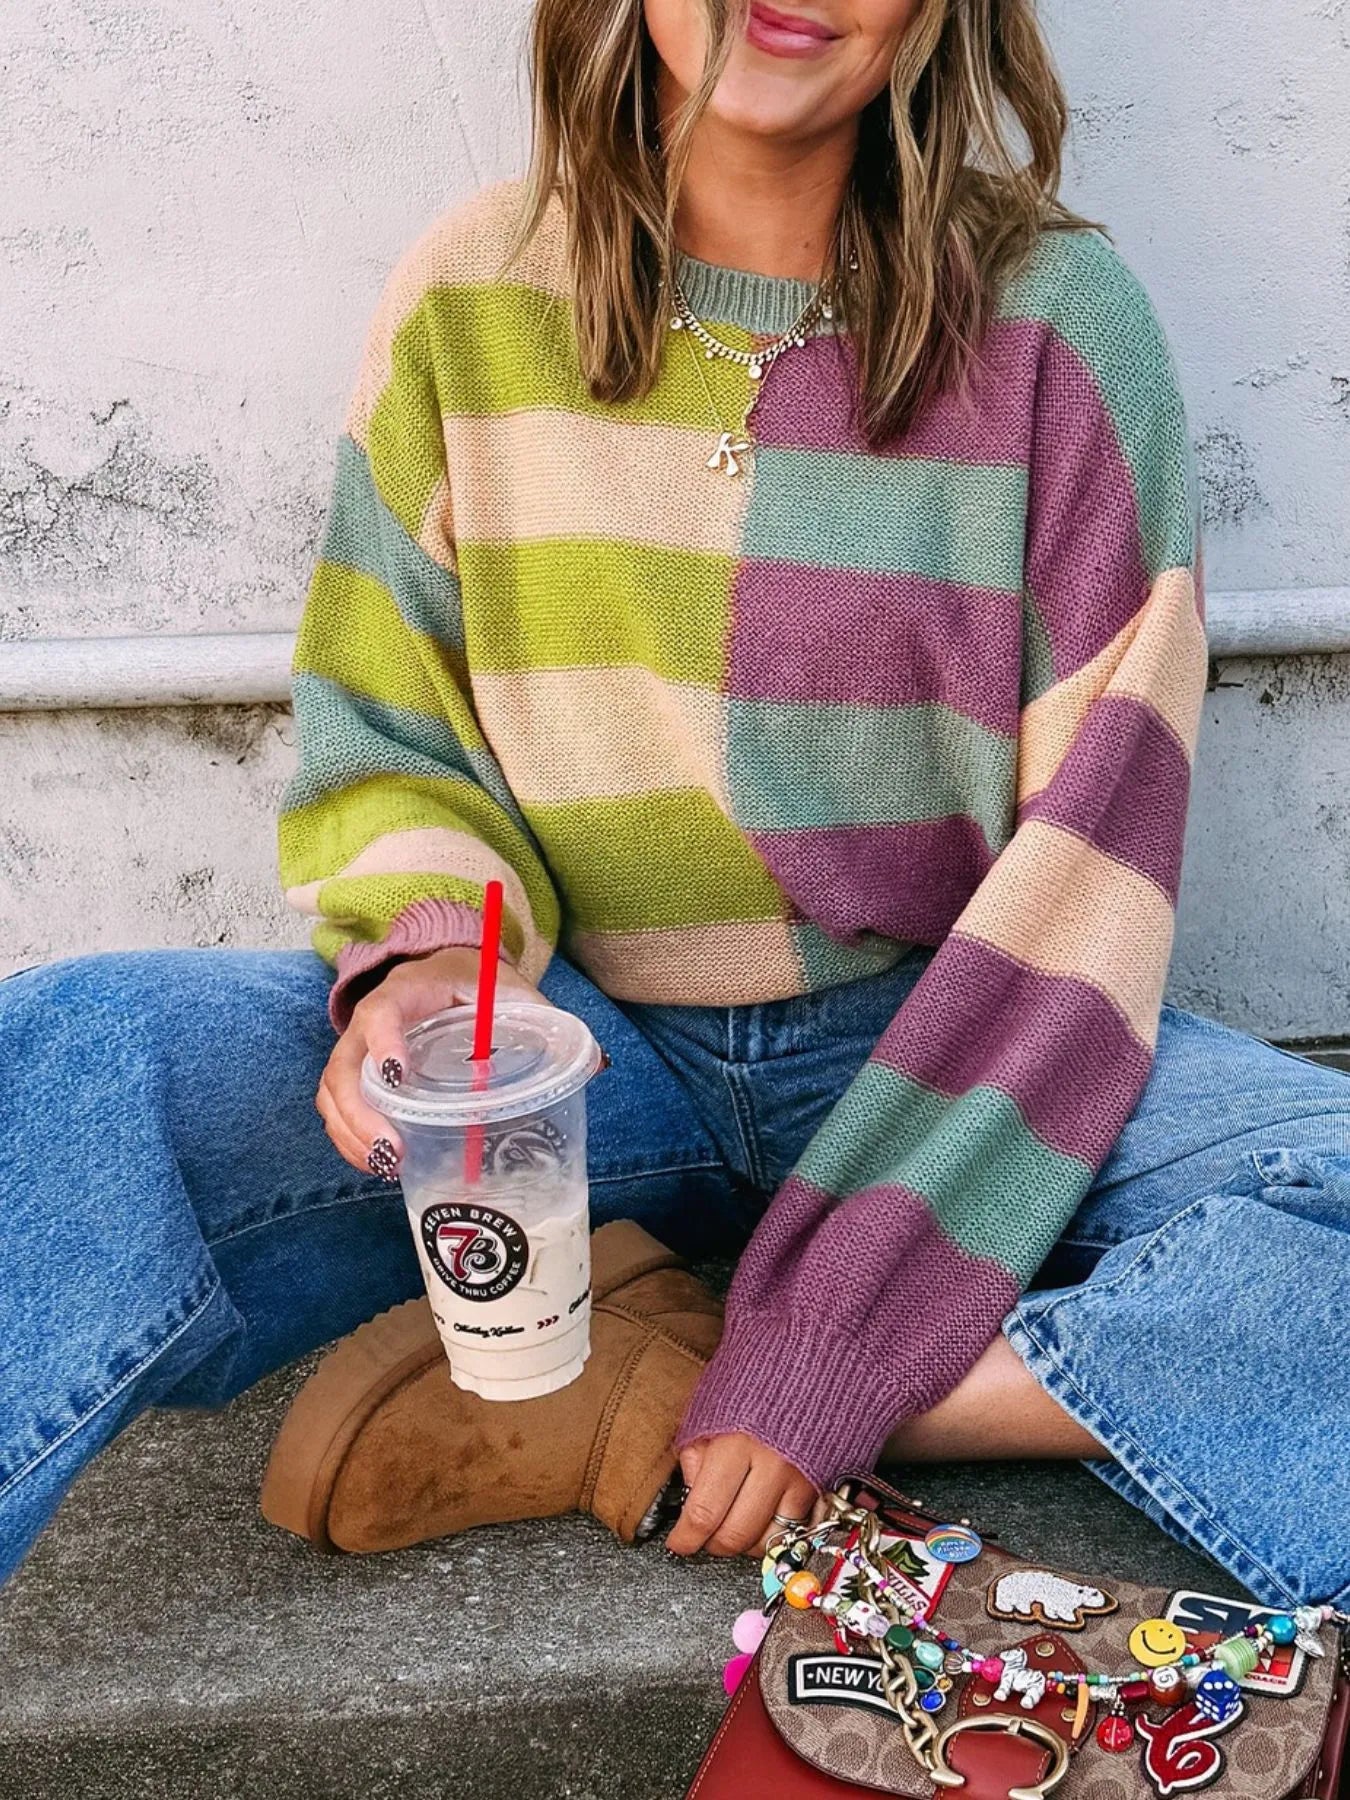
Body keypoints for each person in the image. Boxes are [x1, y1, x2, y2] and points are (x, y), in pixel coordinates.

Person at [2, 0, 1347, 1613]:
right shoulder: (474, 291)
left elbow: (1087, 867)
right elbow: (387, 718)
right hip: (564, 1060)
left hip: (939, 1046)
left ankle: (682, 1392)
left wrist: (832, 1359)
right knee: (77, 1055)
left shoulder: (1056, 324)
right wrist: (428, 965)